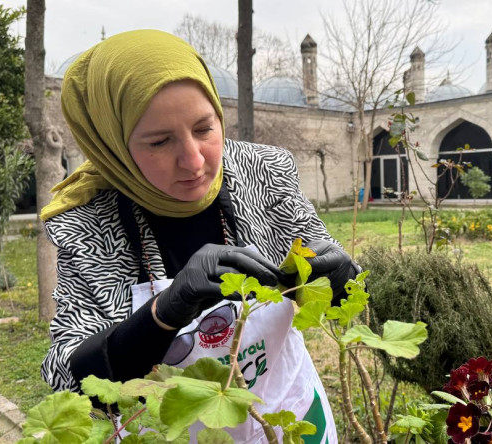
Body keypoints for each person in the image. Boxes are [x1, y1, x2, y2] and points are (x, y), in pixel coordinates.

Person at [39, 29, 356, 443]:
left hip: (290, 419)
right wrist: (163, 313)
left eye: (205, 128)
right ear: (113, 145)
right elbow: (68, 377)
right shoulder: (88, 222)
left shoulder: (264, 172)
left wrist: (341, 277)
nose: (193, 161)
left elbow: (335, 292)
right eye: (160, 142)